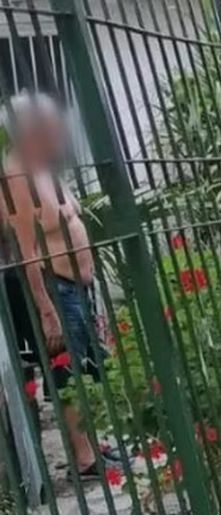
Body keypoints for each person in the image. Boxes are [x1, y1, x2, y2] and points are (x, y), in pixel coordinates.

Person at [1, 92, 112, 478]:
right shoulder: (16, 176)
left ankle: (93, 446)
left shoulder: (42, 167)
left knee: (85, 367)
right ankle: (83, 460)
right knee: (68, 373)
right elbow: (25, 250)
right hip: (55, 286)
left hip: (76, 286)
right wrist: (45, 310)